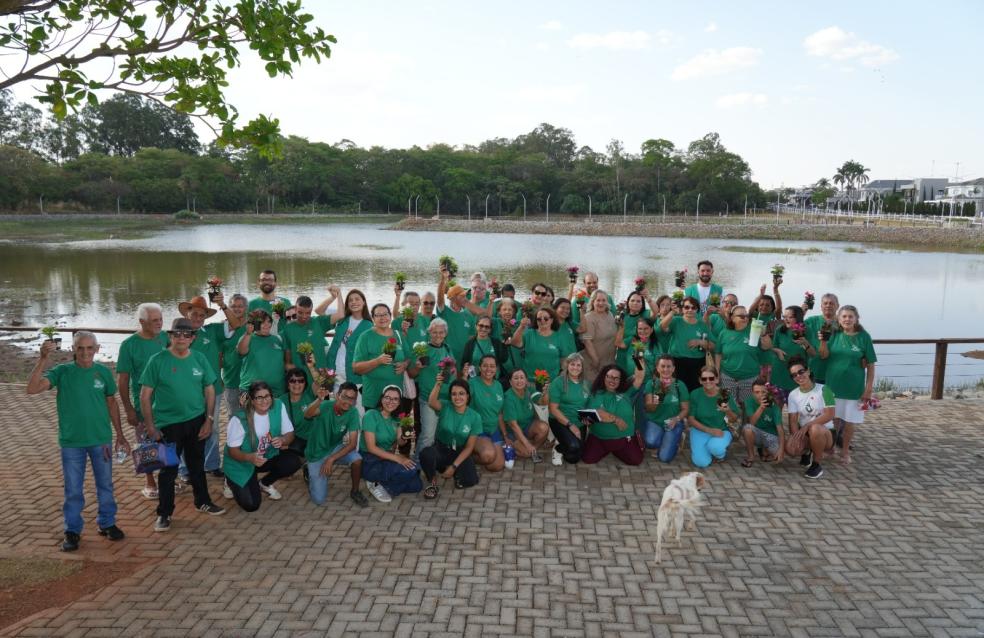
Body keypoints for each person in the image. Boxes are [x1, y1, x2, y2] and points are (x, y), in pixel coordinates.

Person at [27, 332, 129, 551]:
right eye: (80, 348)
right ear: (73, 349)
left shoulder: (103, 372)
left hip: (101, 440)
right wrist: (43, 358)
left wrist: (120, 435)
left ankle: (107, 523)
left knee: (105, 485)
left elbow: (112, 404)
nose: (85, 353)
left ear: (97, 349)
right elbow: (32, 389)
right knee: (73, 489)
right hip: (72, 442)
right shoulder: (62, 372)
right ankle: (72, 530)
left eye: (90, 348)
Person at [140, 318, 226, 533]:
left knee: (197, 465)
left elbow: (209, 389)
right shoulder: (157, 360)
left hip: (196, 421)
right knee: (168, 471)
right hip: (168, 425)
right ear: (170, 336)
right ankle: (164, 513)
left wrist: (209, 419)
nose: (181, 338)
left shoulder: (199, 358)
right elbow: (145, 396)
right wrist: (150, 427)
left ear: (192, 338)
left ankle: (202, 501)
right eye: (177, 334)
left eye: (186, 335)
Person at [179, 294, 240, 478]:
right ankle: (185, 469)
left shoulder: (212, 331)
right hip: (187, 392)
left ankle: (211, 464)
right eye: (194, 314)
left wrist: (223, 305)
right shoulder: (178, 335)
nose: (198, 318)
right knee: (186, 429)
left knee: (212, 427)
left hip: (213, 390)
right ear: (187, 314)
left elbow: (236, 324)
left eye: (202, 315)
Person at [222, 381, 302, 510]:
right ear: (252, 400)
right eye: (259, 397)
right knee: (251, 505)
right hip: (242, 462)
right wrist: (250, 458)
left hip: (265, 456)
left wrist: (282, 440)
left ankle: (264, 483)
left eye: (267, 396)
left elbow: (290, 434)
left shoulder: (278, 405)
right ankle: (230, 479)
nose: (264, 401)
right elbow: (233, 451)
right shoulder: (239, 419)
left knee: (292, 462)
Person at [116, 303, 168, 499]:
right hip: (143, 404)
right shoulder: (129, 345)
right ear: (142, 322)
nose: (159, 323)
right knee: (145, 443)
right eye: (154, 320)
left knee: (166, 442)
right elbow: (123, 380)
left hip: (166, 403)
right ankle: (150, 482)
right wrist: (129, 409)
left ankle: (168, 479)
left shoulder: (164, 337)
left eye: (161, 319)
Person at [818, 305, 876, 464]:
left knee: (850, 421)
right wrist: (823, 341)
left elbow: (871, 365)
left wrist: (868, 389)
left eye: (850, 316)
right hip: (832, 386)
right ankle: (831, 448)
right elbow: (823, 356)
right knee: (834, 419)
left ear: (856, 318)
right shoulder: (833, 334)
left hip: (854, 388)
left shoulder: (864, 337)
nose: (847, 319)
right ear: (839, 318)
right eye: (844, 316)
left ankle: (844, 451)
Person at [303, 382, 369, 506]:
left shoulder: (353, 412)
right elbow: (307, 415)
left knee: (357, 460)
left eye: (352, 399)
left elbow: (352, 444)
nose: (348, 402)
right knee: (319, 499)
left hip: (334, 448)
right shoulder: (325, 405)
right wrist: (319, 400)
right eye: (345, 397)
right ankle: (308, 470)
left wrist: (331, 459)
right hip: (316, 453)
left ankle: (355, 491)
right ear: (338, 395)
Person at [420, 377, 482, 499]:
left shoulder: (475, 417)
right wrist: (438, 384)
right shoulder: (445, 406)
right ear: (450, 396)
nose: (457, 397)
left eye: (461, 393)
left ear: (468, 396)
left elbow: (469, 447)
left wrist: (454, 467)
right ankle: (433, 481)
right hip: (441, 448)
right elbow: (431, 402)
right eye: (454, 394)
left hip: (460, 451)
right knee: (426, 454)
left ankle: (454, 470)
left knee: (469, 481)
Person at [361, 385, 422, 502]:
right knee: (410, 470)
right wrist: (398, 458)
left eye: (395, 399)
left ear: (399, 402)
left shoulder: (397, 419)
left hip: (386, 457)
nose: (391, 401)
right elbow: (371, 448)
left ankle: (382, 484)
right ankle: (377, 483)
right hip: (370, 459)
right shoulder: (371, 415)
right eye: (387, 397)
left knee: (417, 485)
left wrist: (405, 437)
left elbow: (400, 442)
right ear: (382, 399)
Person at [581, 363, 646, 465]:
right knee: (588, 459)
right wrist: (616, 419)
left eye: (616, 378)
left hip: (624, 439)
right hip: (600, 439)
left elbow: (639, 377)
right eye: (609, 377)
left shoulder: (626, 392)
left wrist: (638, 358)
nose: (612, 380)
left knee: (636, 460)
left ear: (620, 380)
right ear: (604, 377)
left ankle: (616, 450)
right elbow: (597, 414)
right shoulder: (596, 393)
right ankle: (607, 449)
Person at [407, 317, 455, 456]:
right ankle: (418, 463)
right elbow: (411, 374)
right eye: (434, 332)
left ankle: (436, 461)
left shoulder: (447, 348)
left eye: (441, 332)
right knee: (428, 436)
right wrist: (417, 367)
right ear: (429, 333)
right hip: (428, 399)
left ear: (445, 333)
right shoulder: (423, 350)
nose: (438, 335)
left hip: (446, 399)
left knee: (441, 434)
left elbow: (453, 369)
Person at [352, 303, 409, 412]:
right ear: (373, 318)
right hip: (374, 395)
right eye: (378, 315)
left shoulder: (399, 335)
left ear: (390, 316)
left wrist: (404, 365)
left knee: (394, 422)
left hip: (395, 397)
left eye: (385, 314)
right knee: (373, 422)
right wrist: (377, 361)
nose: (382, 318)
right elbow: (356, 368)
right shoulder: (365, 337)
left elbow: (408, 357)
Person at [785, 358, 836, 480]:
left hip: (825, 432)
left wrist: (808, 425)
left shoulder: (825, 389)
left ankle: (816, 464)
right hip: (805, 432)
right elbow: (793, 420)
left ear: (808, 371)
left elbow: (830, 414)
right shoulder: (793, 394)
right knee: (790, 449)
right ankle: (807, 451)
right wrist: (796, 438)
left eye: (801, 371)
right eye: (794, 375)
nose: (798, 376)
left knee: (815, 428)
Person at [320, 288, 372, 400]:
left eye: (357, 299)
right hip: (334, 371)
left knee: (356, 405)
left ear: (364, 302)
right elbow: (319, 311)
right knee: (335, 403)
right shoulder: (342, 318)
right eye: (350, 300)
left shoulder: (369, 326)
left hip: (354, 374)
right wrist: (335, 296)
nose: (354, 302)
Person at [686, 365, 739, 468]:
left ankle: (720, 454)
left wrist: (727, 411)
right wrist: (709, 430)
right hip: (700, 430)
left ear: (717, 379)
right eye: (704, 379)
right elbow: (691, 419)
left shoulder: (724, 394)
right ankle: (708, 450)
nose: (708, 381)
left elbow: (734, 419)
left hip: (721, 431)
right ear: (700, 381)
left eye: (711, 378)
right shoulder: (695, 394)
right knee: (701, 463)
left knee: (716, 448)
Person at [640, 355, 690, 463]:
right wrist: (659, 397)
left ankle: (676, 440)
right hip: (655, 421)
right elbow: (649, 409)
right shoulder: (651, 384)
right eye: (662, 366)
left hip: (673, 422)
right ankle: (663, 440)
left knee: (664, 458)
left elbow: (685, 409)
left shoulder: (679, 385)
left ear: (673, 368)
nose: (666, 369)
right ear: (657, 368)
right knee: (650, 442)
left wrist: (676, 419)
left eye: (669, 366)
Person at [761, 305, 816, 399]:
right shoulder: (780, 330)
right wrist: (777, 350)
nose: (786, 320)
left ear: (798, 317)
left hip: (798, 377)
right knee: (778, 405)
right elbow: (772, 348)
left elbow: (813, 354)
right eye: (784, 317)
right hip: (779, 374)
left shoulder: (807, 330)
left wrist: (806, 343)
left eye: (789, 317)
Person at [660, 295, 713, 392]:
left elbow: (713, 345)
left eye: (693, 307)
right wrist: (672, 312)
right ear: (682, 309)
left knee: (695, 390)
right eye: (687, 307)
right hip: (677, 361)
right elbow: (662, 326)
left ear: (697, 310)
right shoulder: (676, 320)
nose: (690, 310)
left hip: (697, 362)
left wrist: (700, 342)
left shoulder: (702, 324)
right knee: (678, 390)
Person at [547, 352, 590, 465]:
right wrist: (571, 425)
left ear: (582, 368)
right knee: (573, 446)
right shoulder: (558, 382)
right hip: (560, 420)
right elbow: (553, 409)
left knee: (574, 458)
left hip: (579, 421)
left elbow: (588, 406)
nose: (575, 367)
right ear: (567, 365)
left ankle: (562, 444)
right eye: (572, 364)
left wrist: (589, 420)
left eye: (578, 365)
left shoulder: (586, 384)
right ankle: (557, 449)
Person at [282, 295, 335, 386]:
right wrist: (298, 374)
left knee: (322, 393)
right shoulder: (287, 330)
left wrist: (334, 296)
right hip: (301, 380)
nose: (304, 316)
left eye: (308, 313)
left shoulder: (317, 322)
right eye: (300, 312)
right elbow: (288, 363)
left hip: (320, 376)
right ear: (296, 309)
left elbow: (341, 315)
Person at [712, 305, 760, 405]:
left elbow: (766, 347)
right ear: (732, 318)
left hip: (749, 378)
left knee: (747, 406)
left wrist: (764, 337)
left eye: (746, 316)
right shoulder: (724, 333)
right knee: (729, 405)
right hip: (727, 377)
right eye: (741, 316)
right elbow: (718, 353)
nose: (745, 318)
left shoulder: (754, 332)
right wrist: (717, 371)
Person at [467, 355, 507, 471]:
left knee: (496, 466)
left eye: (492, 366)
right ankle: (466, 456)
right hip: (477, 431)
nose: (489, 369)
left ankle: (480, 452)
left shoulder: (498, 385)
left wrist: (505, 435)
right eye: (485, 366)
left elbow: (499, 413)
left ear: (496, 369)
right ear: (479, 368)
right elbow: (461, 402)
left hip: (493, 430)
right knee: (488, 456)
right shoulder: (472, 383)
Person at [511, 305, 572, 382]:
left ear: (552, 320)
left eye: (546, 318)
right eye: (539, 319)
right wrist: (521, 327)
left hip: (552, 380)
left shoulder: (559, 336)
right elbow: (515, 343)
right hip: (530, 380)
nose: (542, 321)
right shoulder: (529, 333)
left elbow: (564, 358)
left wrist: (562, 375)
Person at [502, 369, 550, 460]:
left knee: (544, 428)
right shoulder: (508, 397)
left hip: (528, 427)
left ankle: (532, 448)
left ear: (526, 380)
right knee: (527, 453)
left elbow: (543, 402)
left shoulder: (529, 390)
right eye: (516, 378)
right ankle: (509, 447)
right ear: (510, 382)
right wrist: (527, 444)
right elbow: (513, 425)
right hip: (514, 432)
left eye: (522, 377)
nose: (519, 381)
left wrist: (546, 393)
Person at [237, 309, 287, 398]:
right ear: (254, 324)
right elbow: (241, 351)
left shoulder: (277, 339)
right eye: (262, 322)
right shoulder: (248, 338)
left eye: (269, 321)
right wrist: (248, 334)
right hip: (252, 392)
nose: (267, 325)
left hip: (277, 392)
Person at [437, 266, 479, 365]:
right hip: (447, 358)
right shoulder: (444, 311)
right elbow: (439, 298)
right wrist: (443, 279)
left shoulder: (468, 315)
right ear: (453, 298)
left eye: (465, 295)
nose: (465, 298)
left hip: (464, 359)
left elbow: (471, 338)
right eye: (462, 296)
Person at [740, 380, 784, 468]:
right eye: (757, 392)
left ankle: (763, 450)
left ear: (768, 392)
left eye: (763, 392)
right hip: (756, 433)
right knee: (747, 428)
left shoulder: (774, 405)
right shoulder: (749, 401)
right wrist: (761, 407)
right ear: (752, 393)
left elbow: (780, 430)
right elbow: (752, 422)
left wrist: (781, 450)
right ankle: (751, 457)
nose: (760, 395)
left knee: (778, 457)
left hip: (771, 434)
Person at [580, 289, 618, 383]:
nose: (601, 303)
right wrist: (595, 360)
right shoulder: (588, 318)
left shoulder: (610, 314)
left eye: (604, 300)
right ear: (593, 302)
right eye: (598, 300)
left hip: (609, 361)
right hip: (594, 363)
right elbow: (587, 341)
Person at [220, 294, 248, 414]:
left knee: (252, 416)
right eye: (233, 306)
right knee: (234, 416)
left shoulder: (251, 326)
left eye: (240, 306)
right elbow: (219, 355)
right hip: (230, 380)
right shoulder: (222, 327)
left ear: (246, 308)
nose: (236, 309)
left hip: (248, 381)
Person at [804, 293, 839, 383]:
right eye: (825, 303)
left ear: (837, 306)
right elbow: (795, 327)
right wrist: (802, 311)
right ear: (821, 306)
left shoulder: (844, 323)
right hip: (814, 371)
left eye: (831, 303)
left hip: (836, 373)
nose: (828, 305)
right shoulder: (812, 321)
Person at [614, 291, 652, 373]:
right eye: (632, 300)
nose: (635, 303)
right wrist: (621, 326)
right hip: (622, 355)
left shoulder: (645, 314)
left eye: (638, 301)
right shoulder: (622, 315)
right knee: (624, 374)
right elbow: (618, 343)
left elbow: (655, 312)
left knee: (638, 370)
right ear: (628, 302)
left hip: (638, 351)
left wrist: (648, 298)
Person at [284, 368, 316, 462]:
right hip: (295, 442)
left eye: (301, 381)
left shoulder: (310, 395)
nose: (297, 384)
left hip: (314, 440)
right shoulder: (281, 402)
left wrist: (311, 366)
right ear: (287, 384)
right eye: (292, 381)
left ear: (305, 383)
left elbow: (320, 386)